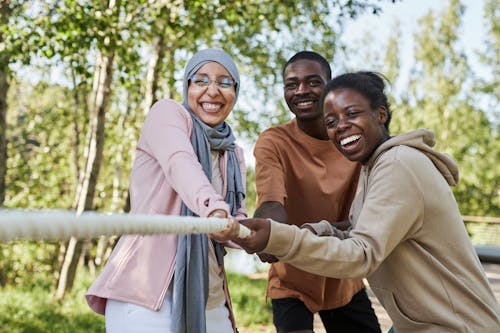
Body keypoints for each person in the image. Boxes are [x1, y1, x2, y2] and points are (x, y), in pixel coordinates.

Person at [236, 71, 500, 332]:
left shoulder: (398, 165)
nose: (340, 126)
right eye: (331, 122)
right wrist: (312, 231)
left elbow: (361, 255)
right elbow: (357, 228)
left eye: (351, 114)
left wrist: (277, 238)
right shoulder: (372, 167)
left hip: (459, 326)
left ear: (380, 115)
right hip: (421, 324)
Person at [85, 48, 247, 333]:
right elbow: (180, 164)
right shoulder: (168, 114)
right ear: (187, 87)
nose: (213, 90)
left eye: (224, 82)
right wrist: (214, 208)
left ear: (235, 91)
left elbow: (235, 223)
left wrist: (259, 236)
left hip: (209, 297)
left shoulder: (234, 153)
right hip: (144, 296)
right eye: (201, 80)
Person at [253, 51, 380, 333]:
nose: (301, 90)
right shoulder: (274, 141)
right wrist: (269, 233)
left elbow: (365, 216)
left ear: (330, 86)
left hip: (342, 271)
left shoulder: (352, 139)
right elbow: (271, 199)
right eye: (291, 84)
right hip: (290, 277)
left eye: (312, 82)